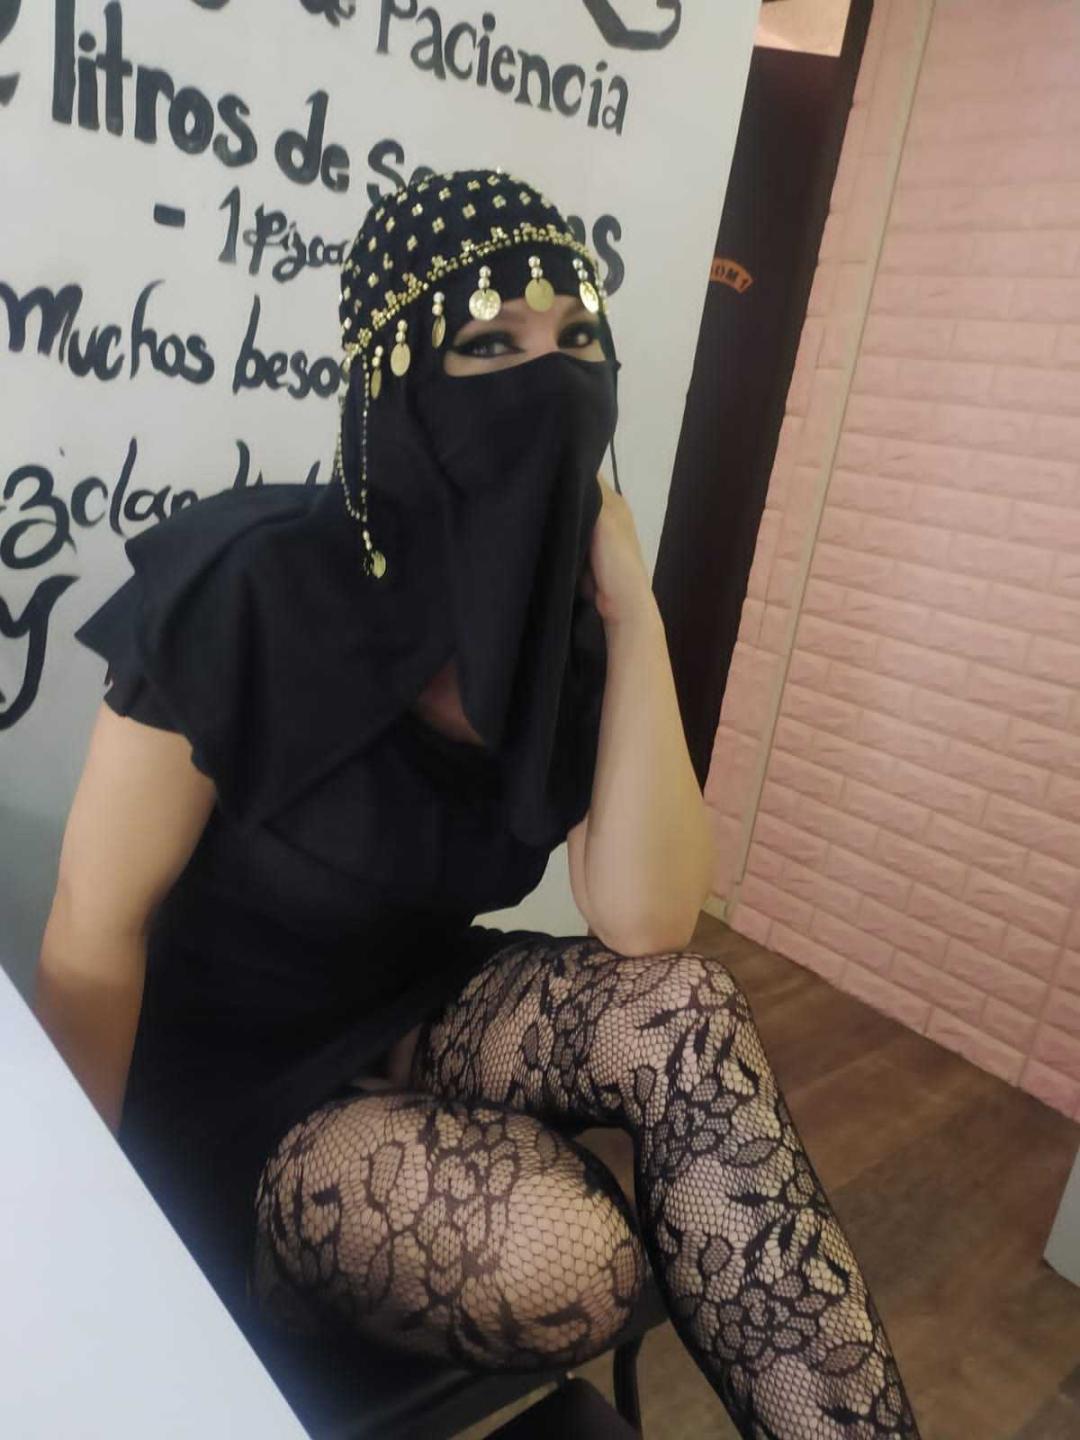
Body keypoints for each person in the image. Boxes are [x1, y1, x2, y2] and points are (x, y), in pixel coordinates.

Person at [35, 168, 920, 1438]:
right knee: (577, 1262)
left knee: (685, 1008)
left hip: (415, 1009)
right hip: (226, 1077)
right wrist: (80, 1235)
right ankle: (266, 1261)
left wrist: (633, 611)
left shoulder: (563, 628)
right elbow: (92, 928)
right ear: (395, 379)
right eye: (490, 345)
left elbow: (647, 922)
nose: (548, 380)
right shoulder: (249, 588)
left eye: (577, 340)